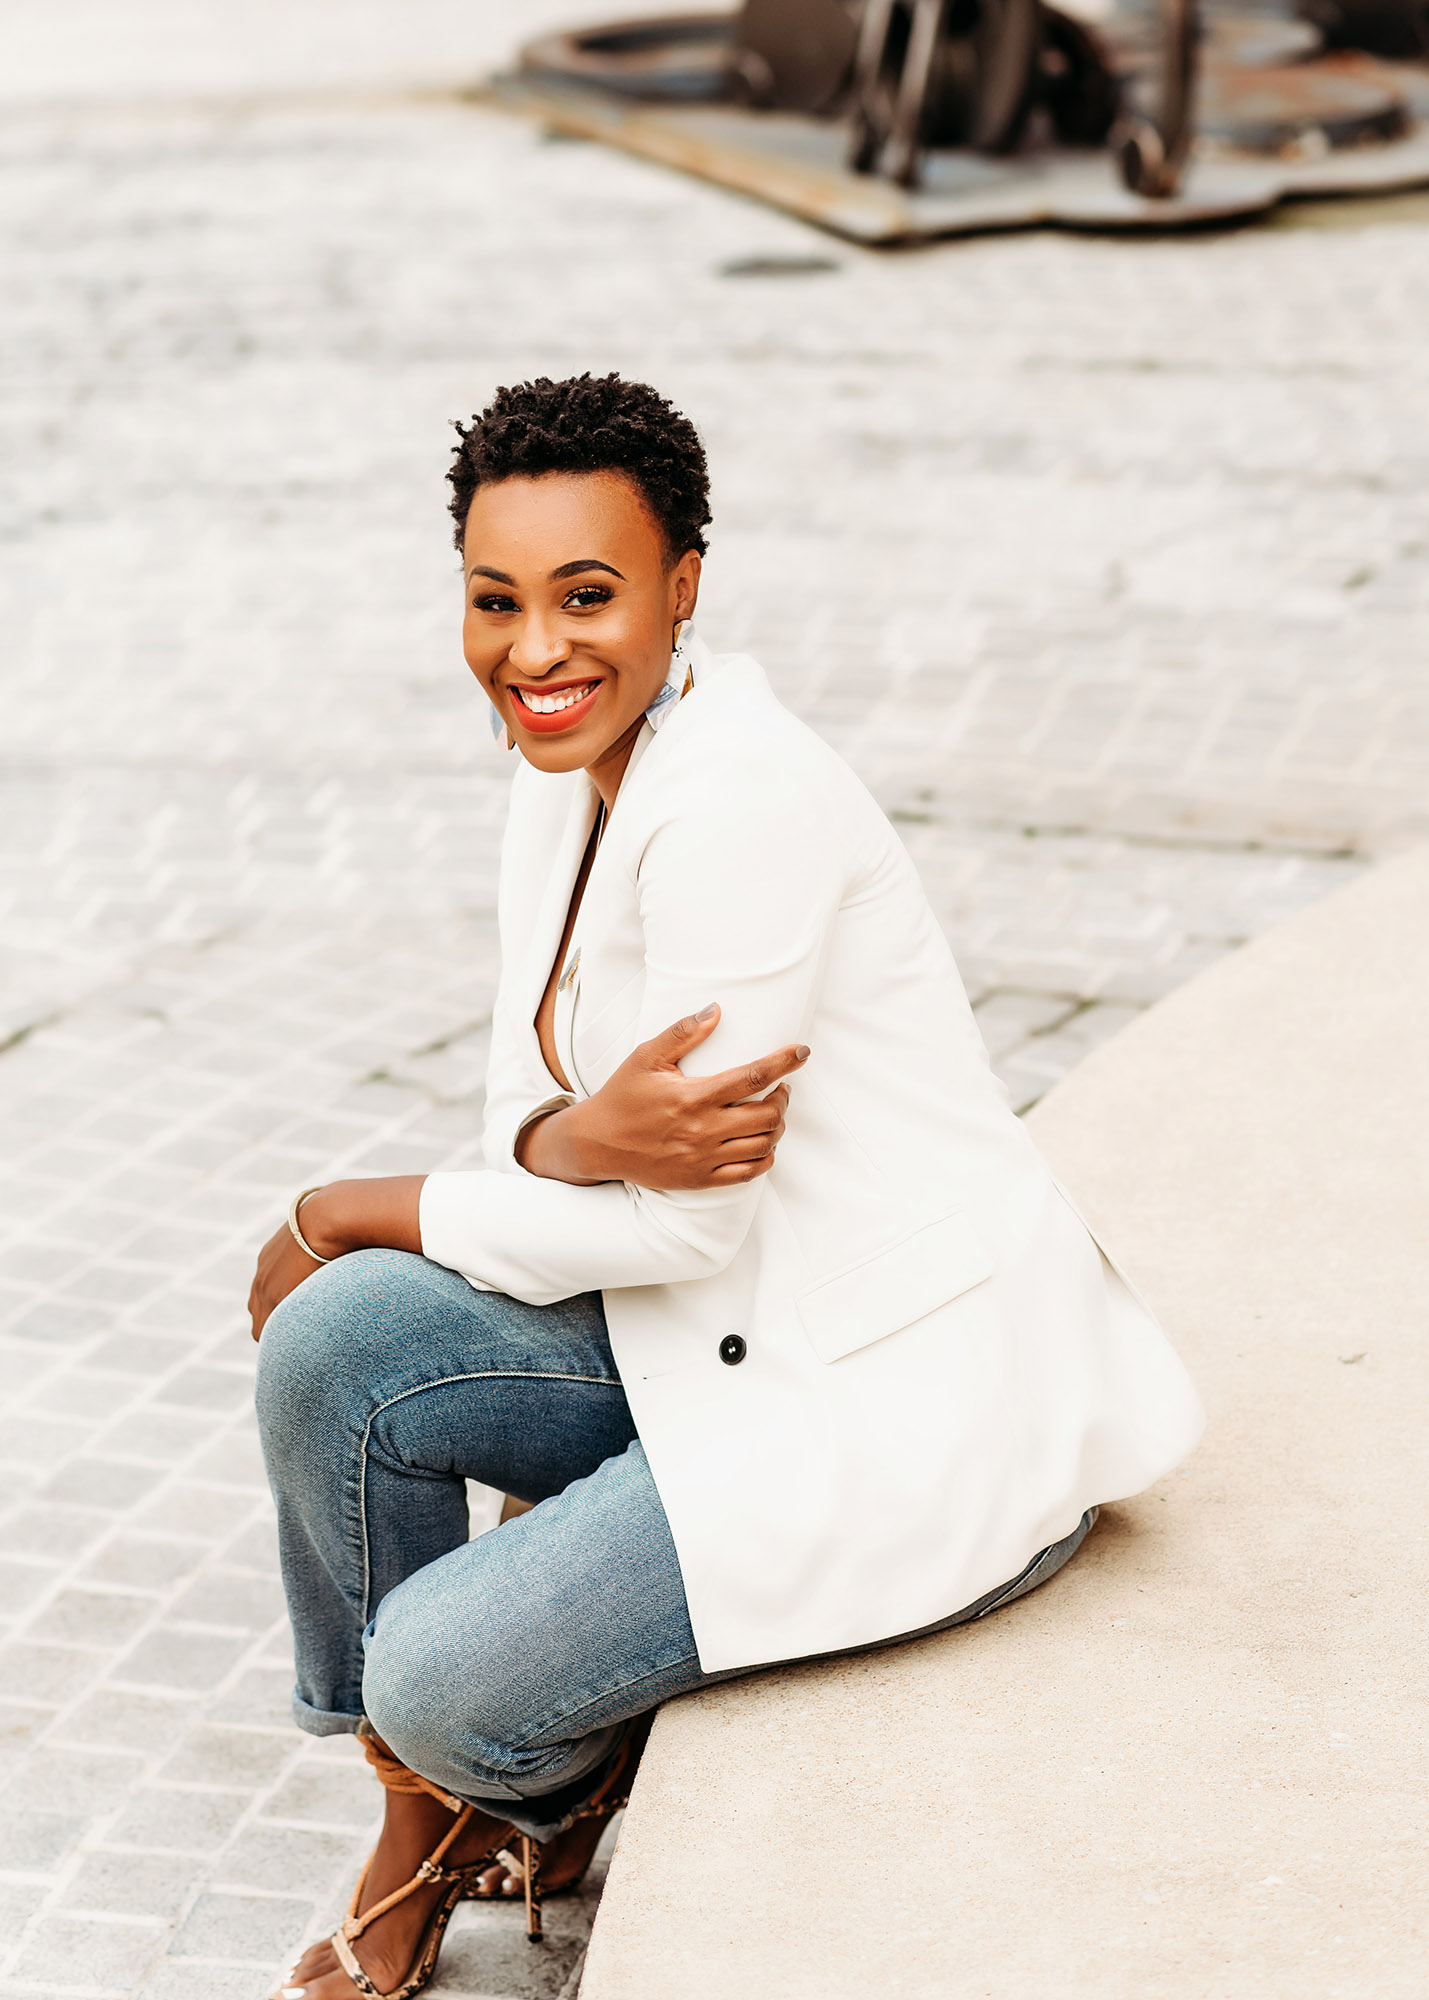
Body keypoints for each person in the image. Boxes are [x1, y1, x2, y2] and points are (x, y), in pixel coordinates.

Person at [252, 373, 1203, 2000]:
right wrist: (566, 1145)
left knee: (440, 1661)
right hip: (703, 1332)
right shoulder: (559, 772)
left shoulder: (740, 802)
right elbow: (532, 1123)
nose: (535, 651)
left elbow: (687, 1213)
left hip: (888, 1397)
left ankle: (523, 1767)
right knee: (336, 1349)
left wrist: (362, 1202)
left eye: (587, 596)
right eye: (496, 600)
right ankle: (427, 1816)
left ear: (684, 583)